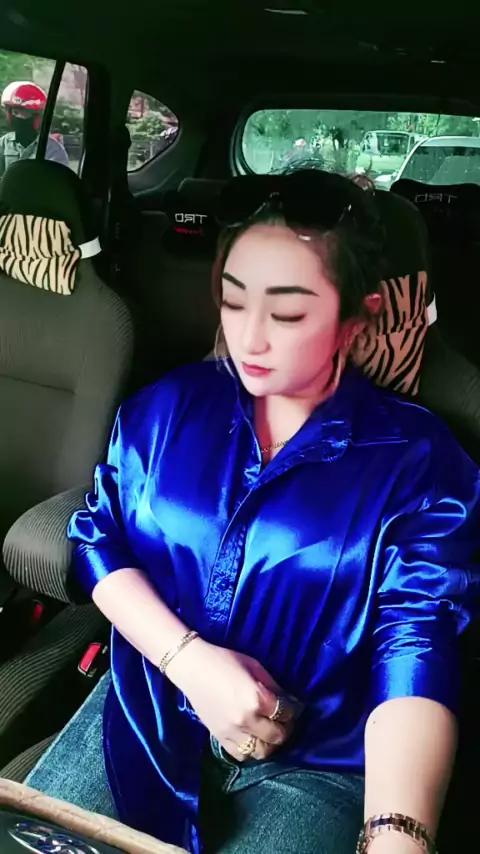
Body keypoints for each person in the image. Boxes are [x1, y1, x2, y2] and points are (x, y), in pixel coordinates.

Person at [26, 170, 480, 854]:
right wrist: (186, 661)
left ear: (356, 317)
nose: (250, 338)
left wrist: (398, 833)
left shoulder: (419, 462)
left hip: (319, 764)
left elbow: (415, 648)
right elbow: (98, 535)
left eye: (288, 313)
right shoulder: (165, 409)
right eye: (235, 301)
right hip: (146, 711)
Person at [0, 81, 69, 177]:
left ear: (37, 116)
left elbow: (58, 181)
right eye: (16, 112)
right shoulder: (3, 143)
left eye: (26, 113)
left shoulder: (53, 149)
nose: (20, 117)